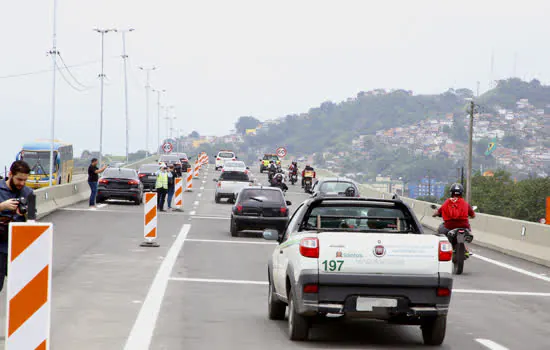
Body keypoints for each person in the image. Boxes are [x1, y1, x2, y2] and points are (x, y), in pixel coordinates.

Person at [0, 161, 33, 291]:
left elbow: (32, 220)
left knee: (21, 287)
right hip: (1, 246)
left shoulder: (28, 193)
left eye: (25, 180)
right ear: (10, 174)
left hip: (18, 247)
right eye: (19, 179)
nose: (22, 183)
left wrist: (25, 212)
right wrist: (3, 206)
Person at [433, 183, 476, 257]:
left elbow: (437, 212)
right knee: (468, 228)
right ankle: (466, 248)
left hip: (449, 227)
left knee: (440, 231)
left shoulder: (447, 202)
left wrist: (434, 214)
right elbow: (473, 215)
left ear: (451, 193)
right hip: (464, 227)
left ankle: (441, 249)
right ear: (462, 193)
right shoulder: (465, 203)